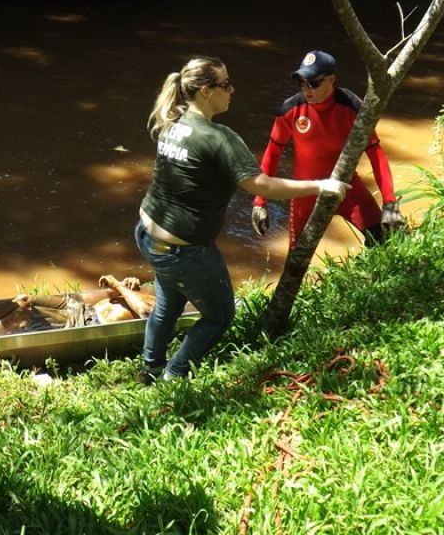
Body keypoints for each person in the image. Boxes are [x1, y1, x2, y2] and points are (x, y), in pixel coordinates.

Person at [135, 56, 350, 384]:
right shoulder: (218, 137)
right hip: (184, 249)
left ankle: (150, 370)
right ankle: (174, 376)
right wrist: (320, 185)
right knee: (220, 315)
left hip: (148, 235)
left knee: (167, 304)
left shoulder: (172, 122)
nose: (232, 90)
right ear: (206, 91)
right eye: (225, 84)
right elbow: (262, 186)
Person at [251, 50, 406, 247]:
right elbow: (272, 154)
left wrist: (390, 203)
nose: (307, 90)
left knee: (385, 241)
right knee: (297, 257)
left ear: (331, 79)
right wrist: (259, 202)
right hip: (305, 193)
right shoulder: (290, 110)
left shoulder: (352, 106)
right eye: (302, 83)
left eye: (313, 83)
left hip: (347, 188)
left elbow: (376, 154)